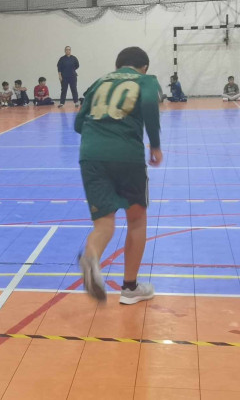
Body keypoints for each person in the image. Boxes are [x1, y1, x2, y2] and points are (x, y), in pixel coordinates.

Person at [75, 47, 163, 305]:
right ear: (144, 67)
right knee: (136, 220)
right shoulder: (146, 80)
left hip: (91, 155)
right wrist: (155, 144)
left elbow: (78, 123)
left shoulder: (99, 82)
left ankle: (91, 256)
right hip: (126, 155)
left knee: (103, 223)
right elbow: (149, 104)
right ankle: (130, 288)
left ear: (117, 66)